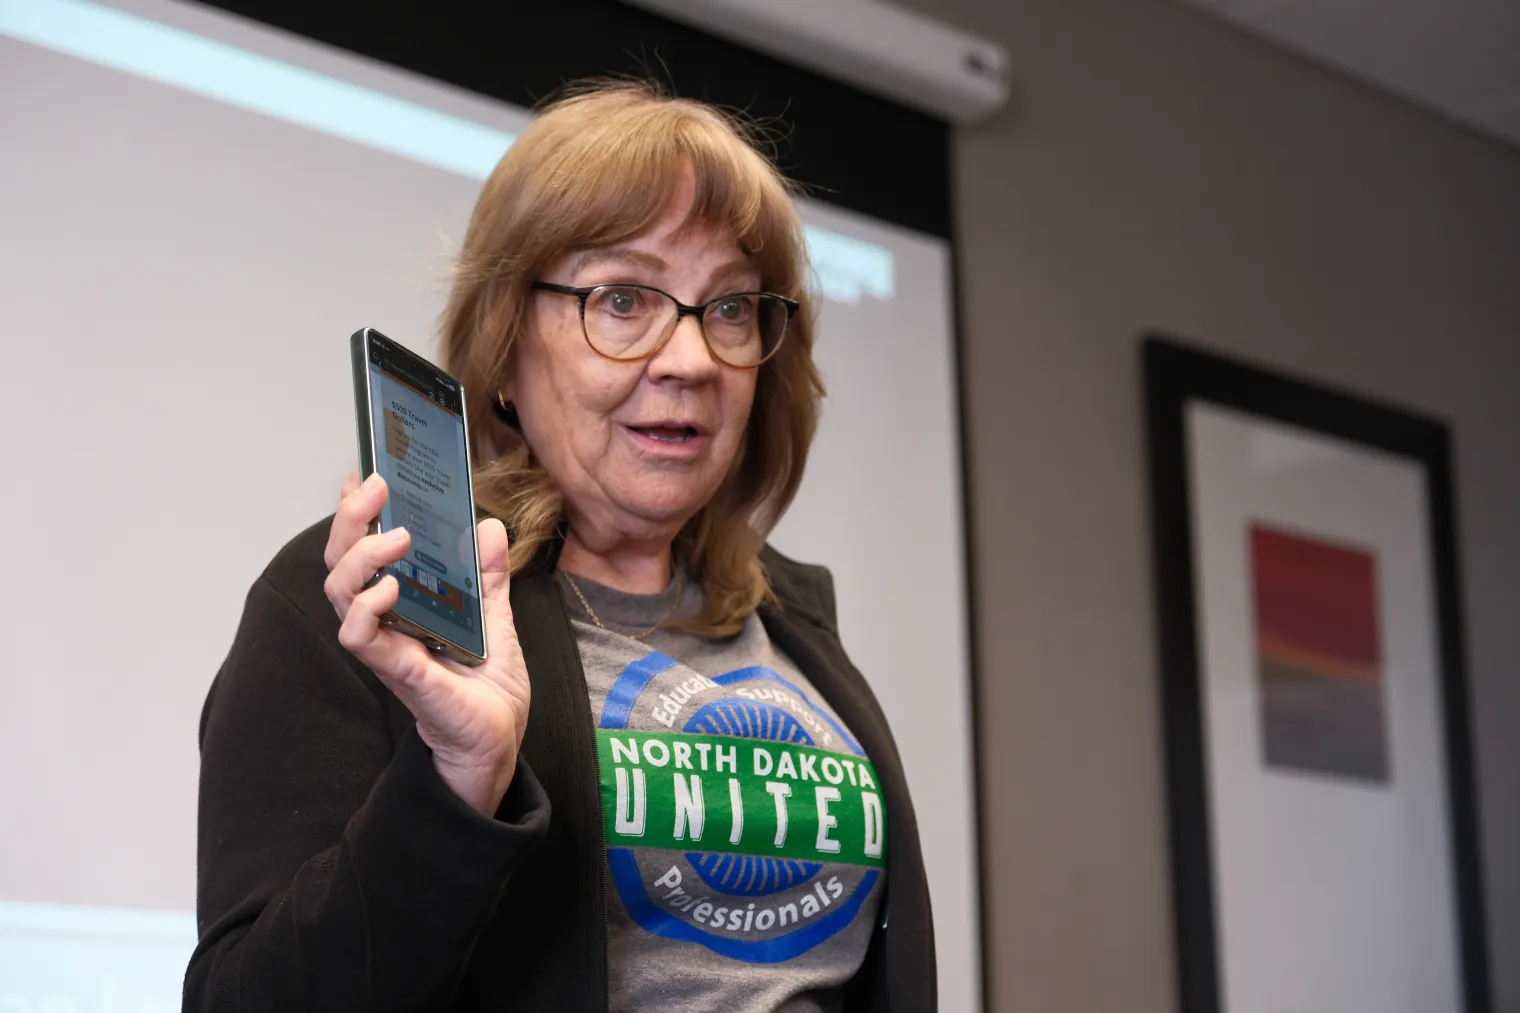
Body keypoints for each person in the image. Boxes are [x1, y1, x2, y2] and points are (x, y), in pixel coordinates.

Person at [185, 80, 935, 1012]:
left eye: (732, 308)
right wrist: (457, 782)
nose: (693, 360)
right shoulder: (362, 593)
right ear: (505, 345)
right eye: (623, 299)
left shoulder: (792, 619)